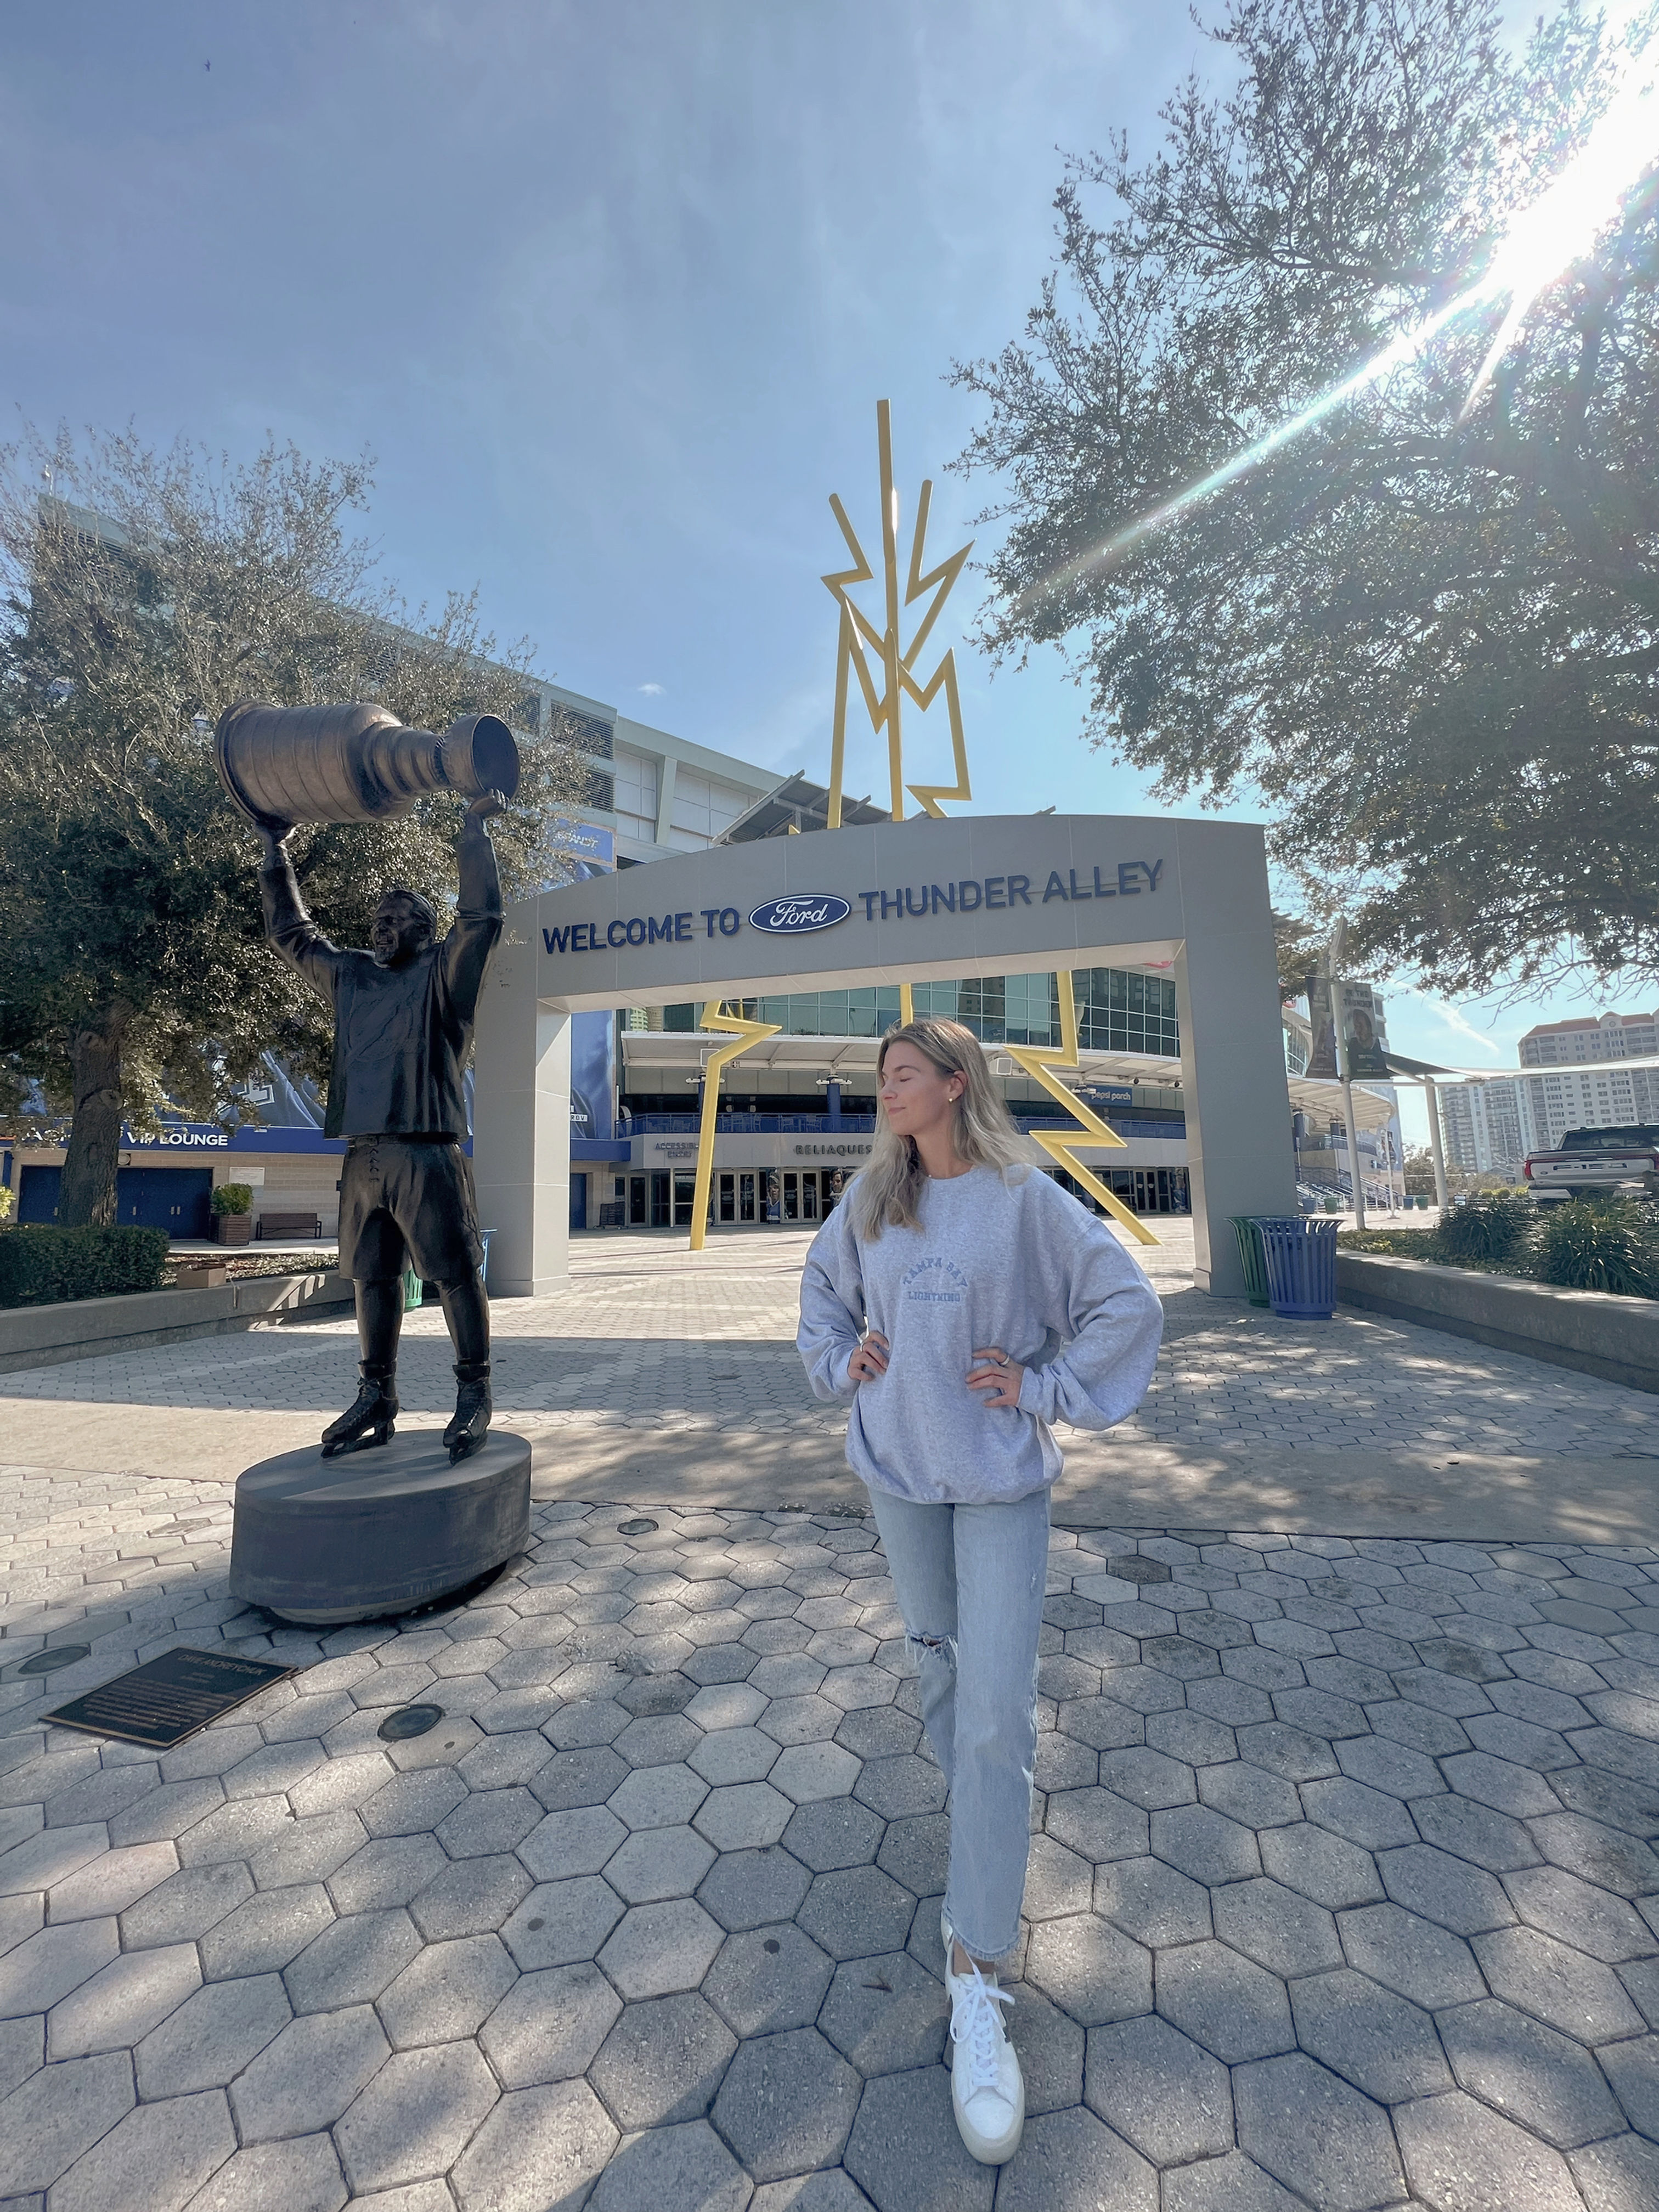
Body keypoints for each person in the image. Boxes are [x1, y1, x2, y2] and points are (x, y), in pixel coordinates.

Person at [796, 1018, 1163, 2166]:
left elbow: (1126, 1305)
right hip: (899, 1478)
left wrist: (1046, 1385)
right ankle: (985, 1841)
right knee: (940, 1672)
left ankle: (977, 1969)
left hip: (1001, 1482)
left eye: (905, 1076)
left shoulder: (1022, 1199)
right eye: (882, 1080)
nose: (888, 1092)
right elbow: (821, 1297)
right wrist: (840, 1361)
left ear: (957, 1085)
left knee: (1001, 1708)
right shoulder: (871, 1202)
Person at [256, 791, 505, 1462]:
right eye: (378, 919)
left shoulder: (442, 980)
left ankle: (474, 1393)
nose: (382, 928)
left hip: (427, 1154)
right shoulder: (352, 979)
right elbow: (292, 935)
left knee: (454, 1276)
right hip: (363, 1155)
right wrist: (275, 853)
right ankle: (378, 1395)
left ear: (424, 932)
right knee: (372, 1280)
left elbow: (480, 918)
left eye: (397, 919)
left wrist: (473, 833)